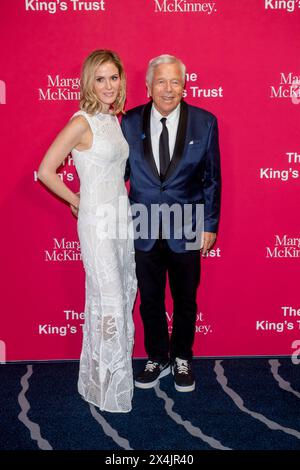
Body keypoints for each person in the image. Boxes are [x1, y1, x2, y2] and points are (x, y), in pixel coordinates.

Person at [38, 50, 137, 413]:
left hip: (121, 219)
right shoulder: (81, 122)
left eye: (114, 78)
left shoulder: (112, 119)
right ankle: (109, 391)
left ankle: (100, 381)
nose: (109, 86)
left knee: (121, 298)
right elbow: (46, 170)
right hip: (97, 220)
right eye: (101, 79)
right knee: (108, 299)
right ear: (88, 82)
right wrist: (76, 199)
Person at [121, 54, 221, 392]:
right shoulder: (129, 122)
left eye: (174, 81)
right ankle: (157, 357)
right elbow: (117, 175)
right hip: (142, 222)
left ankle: (182, 357)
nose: (168, 89)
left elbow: (211, 178)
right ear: (148, 86)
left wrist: (209, 224)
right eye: (161, 81)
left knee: (185, 298)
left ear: (184, 85)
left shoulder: (205, 122)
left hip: (188, 223)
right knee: (149, 297)